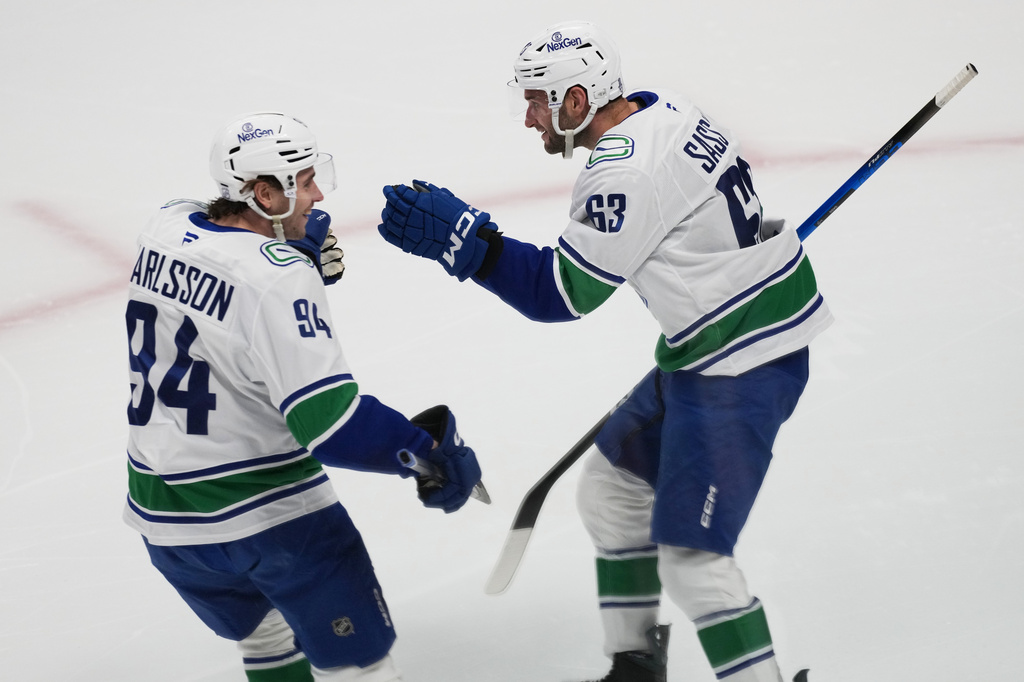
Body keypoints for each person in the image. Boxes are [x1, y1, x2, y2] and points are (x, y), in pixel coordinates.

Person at [376, 21, 831, 682]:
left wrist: (472, 247)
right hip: (714, 338)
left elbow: (562, 295)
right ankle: (636, 664)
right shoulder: (664, 107)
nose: (530, 118)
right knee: (612, 492)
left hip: (741, 360)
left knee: (692, 560)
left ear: (581, 98)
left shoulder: (622, 168)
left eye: (540, 101)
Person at [123, 111, 484, 682]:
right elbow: (331, 424)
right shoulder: (277, 278)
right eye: (304, 181)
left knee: (268, 638)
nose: (317, 195)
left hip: (165, 516)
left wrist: (295, 258)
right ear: (265, 193)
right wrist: (425, 454)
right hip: (267, 516)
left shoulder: (164, 227)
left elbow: (220, 307)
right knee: (360, 665)